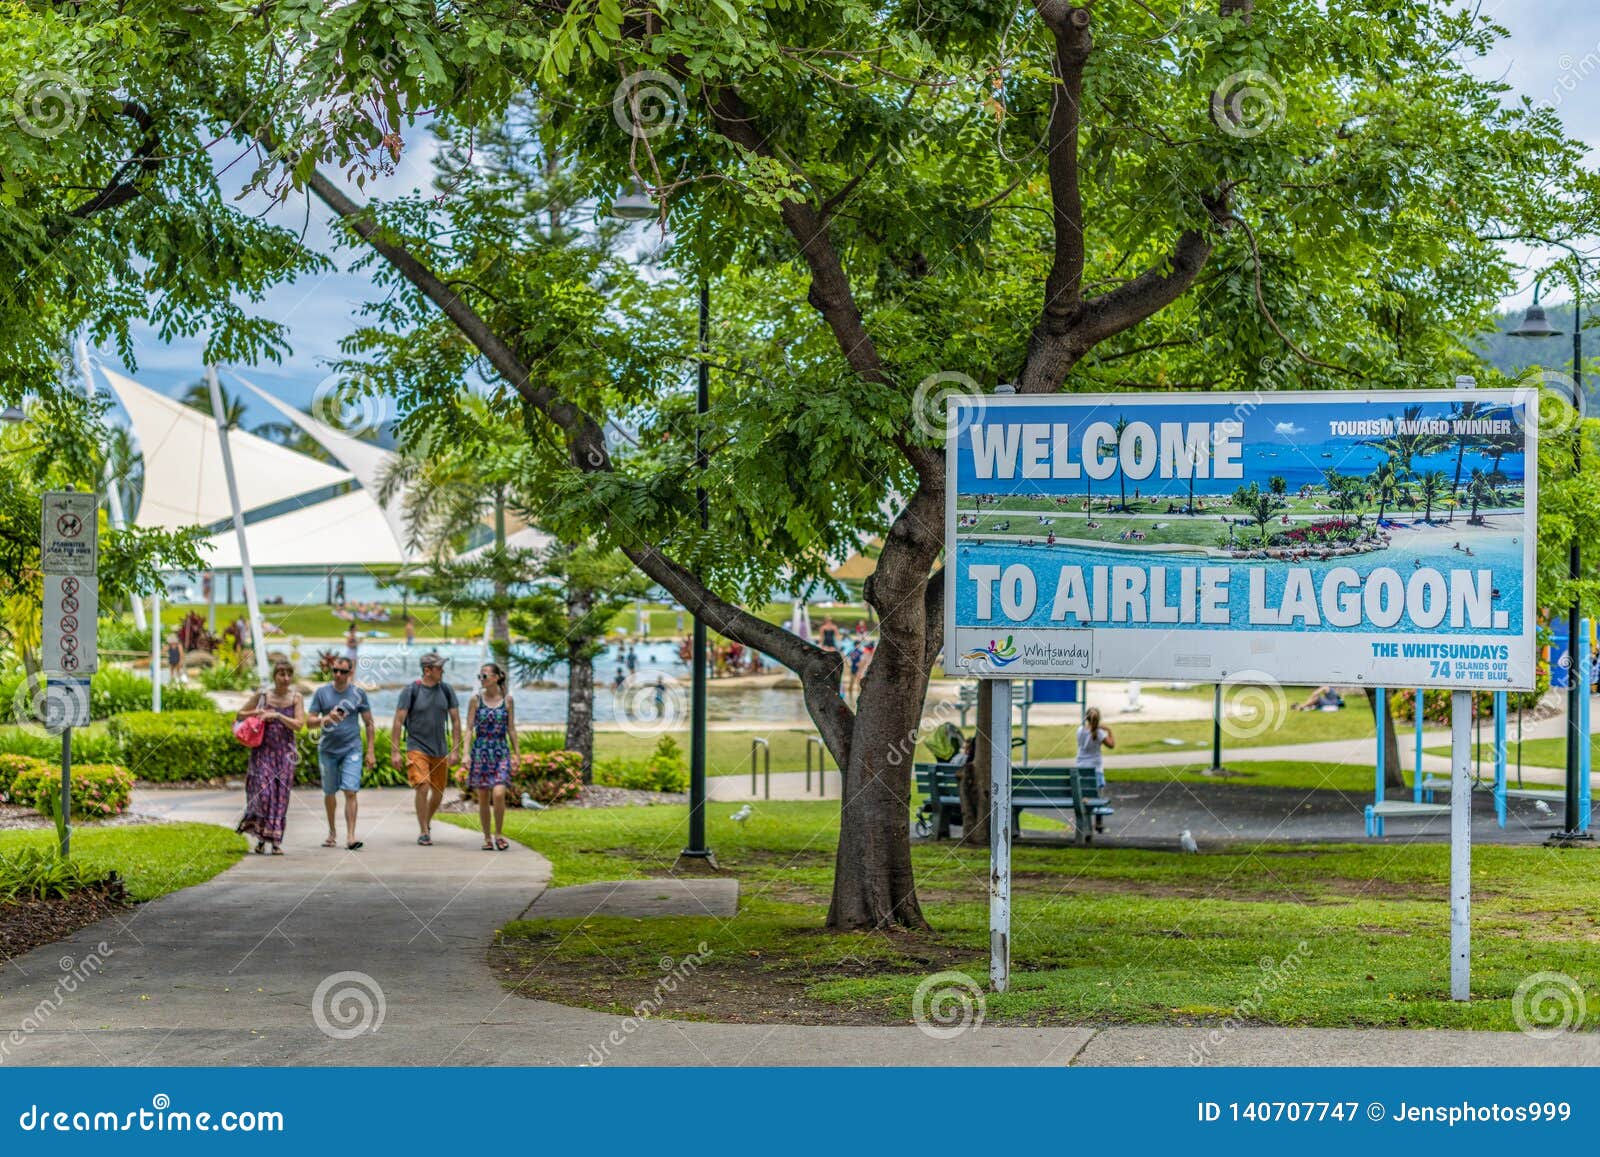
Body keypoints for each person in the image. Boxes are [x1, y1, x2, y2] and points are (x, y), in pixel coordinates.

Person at [391, 653, 462, 846]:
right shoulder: (411, 691)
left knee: (438, 792)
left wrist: (456, 749)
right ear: (427, 670)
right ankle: (423, 831)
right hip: (416, 747)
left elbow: (456, 721)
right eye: (439, 668)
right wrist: (395, 751)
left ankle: (426, 822)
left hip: (440, 748)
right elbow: (398, 721)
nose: (443, 671)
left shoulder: (446, 691)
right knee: (422, 785)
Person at [235, 661, 305, 855]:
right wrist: (257, 713)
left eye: (289, 674)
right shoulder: (263, 696)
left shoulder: (296, 698)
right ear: (275, 676)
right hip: (263, 752)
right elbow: (239, 715)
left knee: (280, 797)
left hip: (286, 754)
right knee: (263, 794)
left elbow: (299, 724)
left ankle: (274, 841)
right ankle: (260, 835)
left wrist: (278, 716)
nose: (285, 678)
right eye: (281, 674)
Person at [308, 655, 375, 850]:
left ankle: (351, 836)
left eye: (343, 671)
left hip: (351, 749)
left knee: (350, 790)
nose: (338, 674)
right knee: (330, 792)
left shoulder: (358, 694)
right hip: (328, 750)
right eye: (335, 670)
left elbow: (369, 723)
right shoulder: (322, 693)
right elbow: (309, 721)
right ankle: (332, 832)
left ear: (350, 672)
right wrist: (326, 719)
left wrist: (371, 751)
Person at [466, 663, 520, 851]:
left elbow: (511, 729)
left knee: (498, 793)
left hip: (500, 750)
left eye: (485, 676)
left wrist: (517, 754)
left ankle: (499, 834)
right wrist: (465, 753)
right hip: (481, 751)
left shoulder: (508, 701)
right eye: (480, 676)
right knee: (483, 796)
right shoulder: (475, 700)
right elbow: (468, 729)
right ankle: (487, 837)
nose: (482, 679)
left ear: (496, 678)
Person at [1076, 706, 1114, 789]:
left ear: (1086, 718)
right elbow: (1111, 745)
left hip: (1080, 767)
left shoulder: (1080, 730)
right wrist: (1109, 730)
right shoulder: (1099, 733)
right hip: (1096, 769)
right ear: (1098, 718)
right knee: (1097, 797)